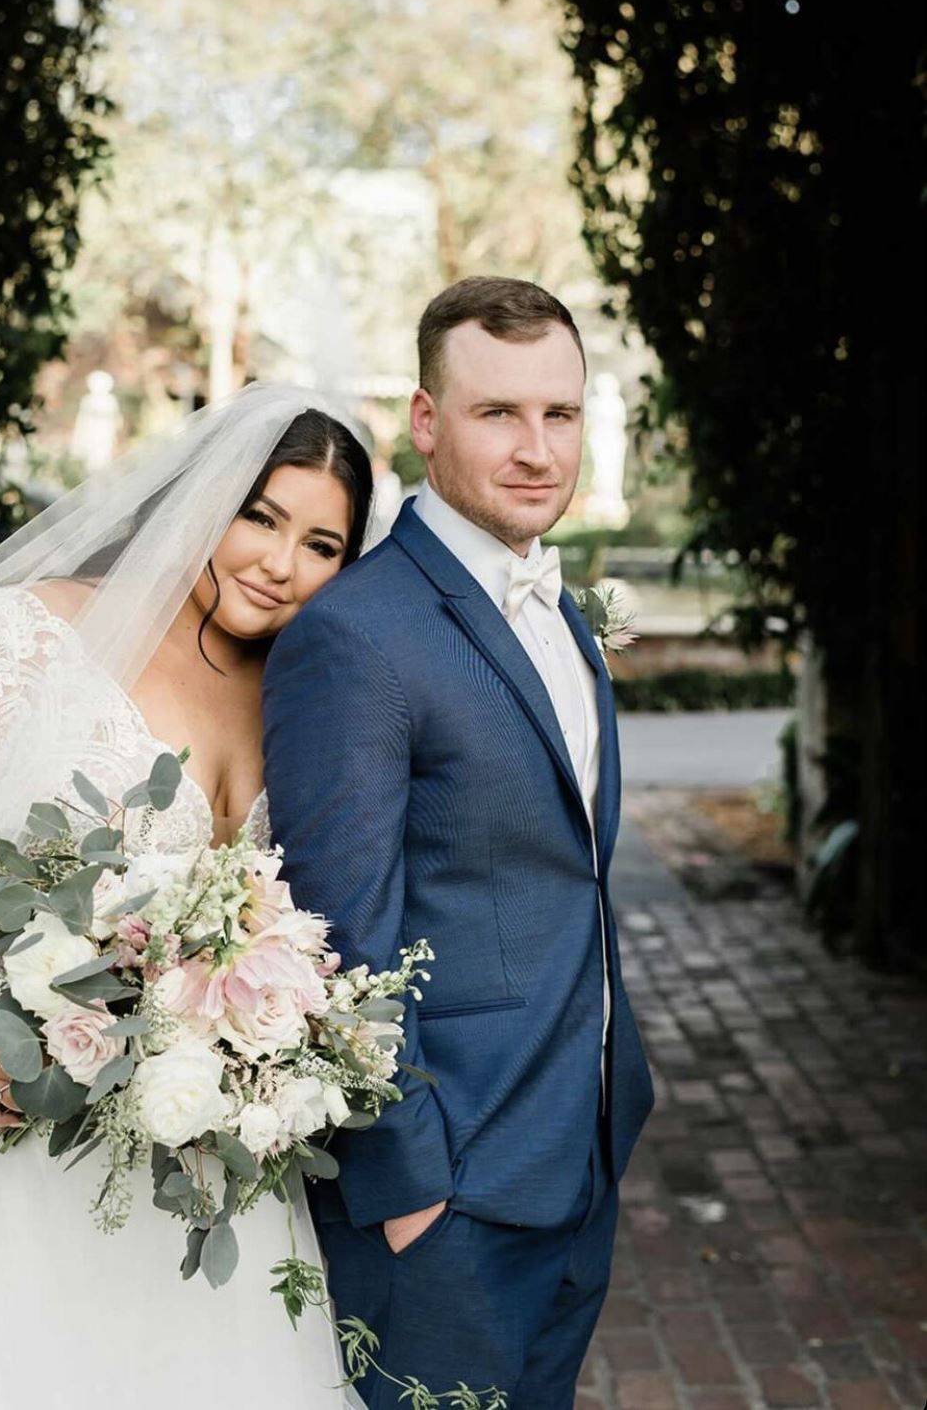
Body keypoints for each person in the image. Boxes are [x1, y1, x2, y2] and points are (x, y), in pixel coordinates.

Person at [0, 385, 373, 1410]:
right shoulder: (27, 630)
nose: (282, 564)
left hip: (176, 1140)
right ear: (206, 499)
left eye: (322, 545)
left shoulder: (300, 696)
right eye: (262, 517)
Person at [263, 277, 656, 1410]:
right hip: (447, 1197)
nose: (538, 449)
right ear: (426, 423)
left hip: (577, 1147)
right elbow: (341, 934)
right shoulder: (355, 635)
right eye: (498, 415)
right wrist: (408, 1191)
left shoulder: (562, 612)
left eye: (560, 415)